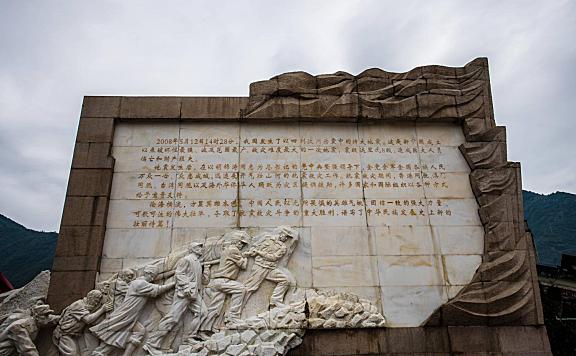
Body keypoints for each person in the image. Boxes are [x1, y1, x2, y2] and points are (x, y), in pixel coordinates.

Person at [90, 265, 174, 356]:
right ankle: (98, 353)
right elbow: (158, 290)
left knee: (138, 331)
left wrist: (172, 272)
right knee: (112, 337)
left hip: (130, 316)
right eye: (153, 276)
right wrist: (174, 283)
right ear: (148, 273)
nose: (153, 278)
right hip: (124, 315)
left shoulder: (137, 282)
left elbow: (159, 278)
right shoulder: (140, 284)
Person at [144, 242, 206, 353]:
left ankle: (189, 337)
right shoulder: (186, 260)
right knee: (173, 318)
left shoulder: (197, 262)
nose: (201, 249)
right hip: (185, 293)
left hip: (194, 293)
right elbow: (179, 274)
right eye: (198, 247)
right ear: (193, 249)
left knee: (202, 312)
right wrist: (186, 287)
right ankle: (152, 343)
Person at [199, 231, 250, 333]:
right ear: (235, 242)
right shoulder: (234, 250)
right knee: (241, 289)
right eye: (240, 243)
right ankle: (232, 317)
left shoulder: (228, 249)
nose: (241, 245)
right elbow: (243, 265)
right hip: (223, 281)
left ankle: (204, 329)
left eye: (242, 244)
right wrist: (246, 257)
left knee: (215, 308)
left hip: (218, 281)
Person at [243, 226, 298, 308]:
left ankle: (275, 301)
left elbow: (274, 257)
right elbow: (255, 246)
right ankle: (234, 311)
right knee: (250, 288)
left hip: (270, 269)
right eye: (285, 236)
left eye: (287, 237)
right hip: (259, 267)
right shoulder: (266, 238)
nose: (286, 239)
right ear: (281, 234)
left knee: (285, 281)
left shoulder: (283, 247)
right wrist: (251, 252)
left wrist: (259, 252)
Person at [53, 290, 111, 356]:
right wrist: (102, 310)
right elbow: (88, 319)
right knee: (72, 354)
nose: (95, 304)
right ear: (90, 297)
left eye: (97, 302)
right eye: (95, 301)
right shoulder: (78, 305)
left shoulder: (88, 306)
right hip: (64, 335)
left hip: (75, 336)